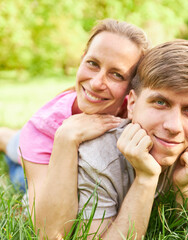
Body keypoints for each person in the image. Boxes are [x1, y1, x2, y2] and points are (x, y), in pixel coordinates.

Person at [18, 19, 150, 239]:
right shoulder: (41, 129)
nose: (97, 82)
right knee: (15, 160)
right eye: (92, 63)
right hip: (40, 153)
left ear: (132, 87)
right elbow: (49, 232)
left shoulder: (137, 110)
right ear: (81, 61)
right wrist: (66, 139)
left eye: (117, 74)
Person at [76, 39, 188, 238]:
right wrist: (146, 178)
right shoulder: (97, 155)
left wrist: (184, 187)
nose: (174, 127)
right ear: (132, 104)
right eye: (160, 102)